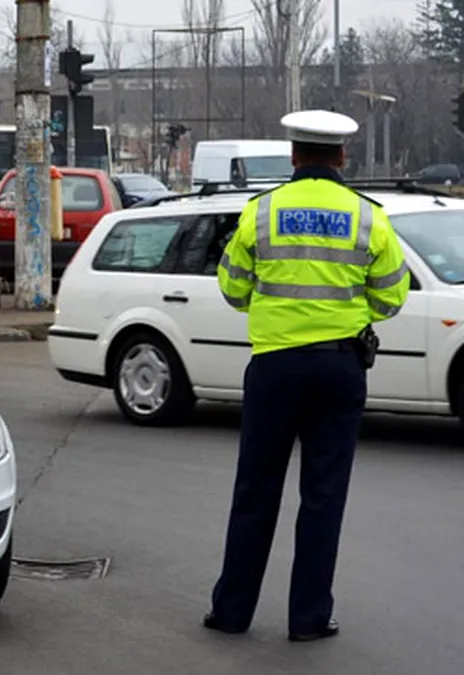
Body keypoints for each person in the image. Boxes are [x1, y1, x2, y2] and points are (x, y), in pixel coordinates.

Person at [206, 109, 409, 642]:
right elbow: (391, 297)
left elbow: (232, 290)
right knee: (323, 496)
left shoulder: (261, 212)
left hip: (274, 368)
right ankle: (309, 618)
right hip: (341, 369)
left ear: (293, 155)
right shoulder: (369, 217)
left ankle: (231, 612)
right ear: (342, 157)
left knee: (255, 490)